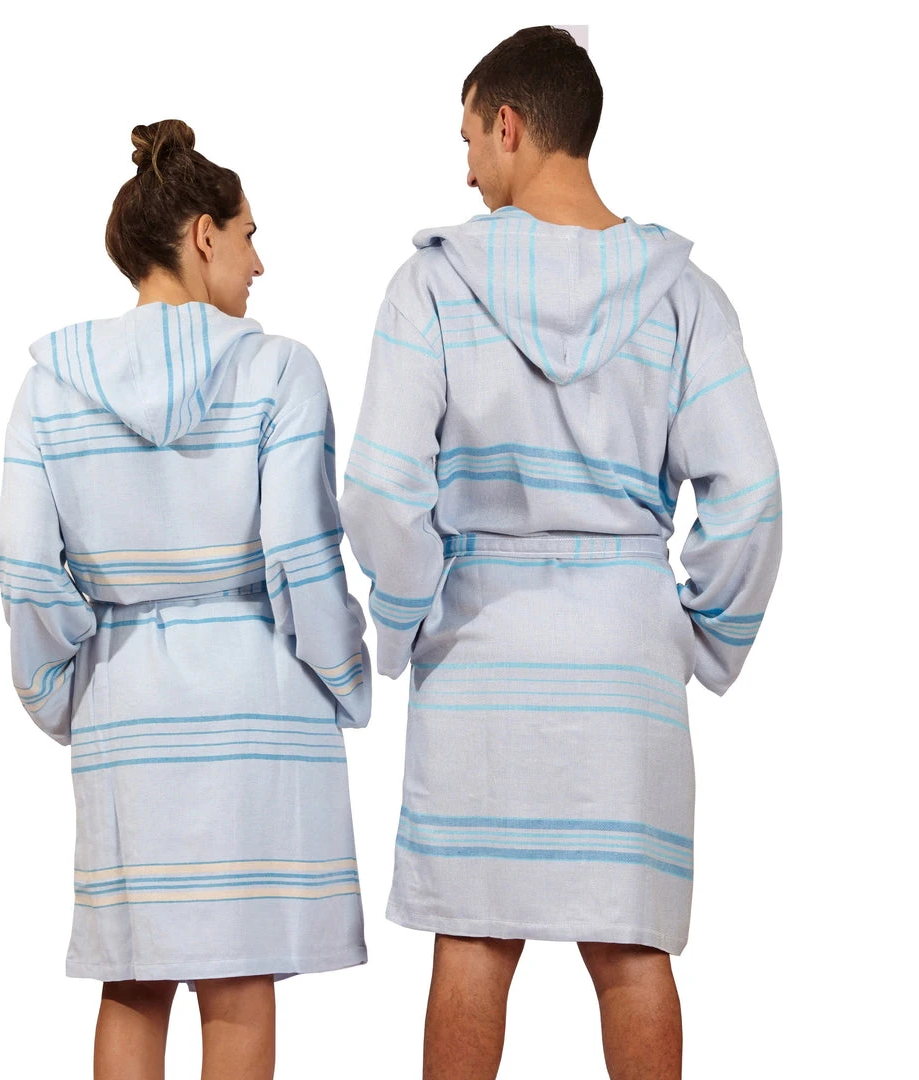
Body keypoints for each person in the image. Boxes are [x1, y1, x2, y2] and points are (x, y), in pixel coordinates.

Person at [339, 27, 781, 1080]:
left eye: (468, 140)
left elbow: (381, 488)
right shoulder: (685, 297)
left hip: (479, 652)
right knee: (630, 951)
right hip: (627, 653)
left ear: (509, 125)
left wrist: (410, 615)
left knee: (473, 940)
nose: (465, 171)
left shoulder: (432, 287)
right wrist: (697, 635)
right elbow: (752, 494)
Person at [0, 119, 371, 1080]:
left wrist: (58, 695)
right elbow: (302, 552)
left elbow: (27, 568)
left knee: (133, 980)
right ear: (204, 235)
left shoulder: (49, 388)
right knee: (239, 981)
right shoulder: (279, 369)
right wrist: (344, 675)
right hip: (257, 699)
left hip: (126, 706)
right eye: (248, 235)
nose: (260, 262)